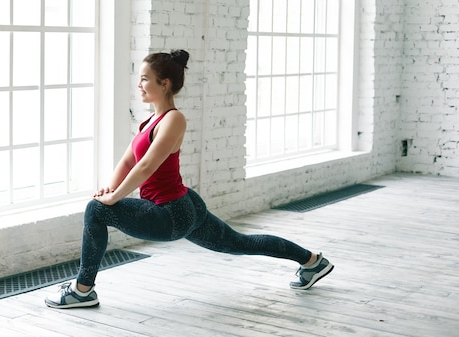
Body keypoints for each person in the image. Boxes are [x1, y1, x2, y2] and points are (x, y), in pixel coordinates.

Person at [45, 49, 334, 309]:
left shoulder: (174, 119)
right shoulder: (150, 121)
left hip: (172, 213)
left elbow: (146, 166)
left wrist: (113, 198)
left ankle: (82, 290)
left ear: (164, 83)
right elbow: (128, 160)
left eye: (145, 78)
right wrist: (110, 186)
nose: (139, 84)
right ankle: (312, 261)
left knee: (95, 210)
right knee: (239, 243)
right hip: (182, 205)